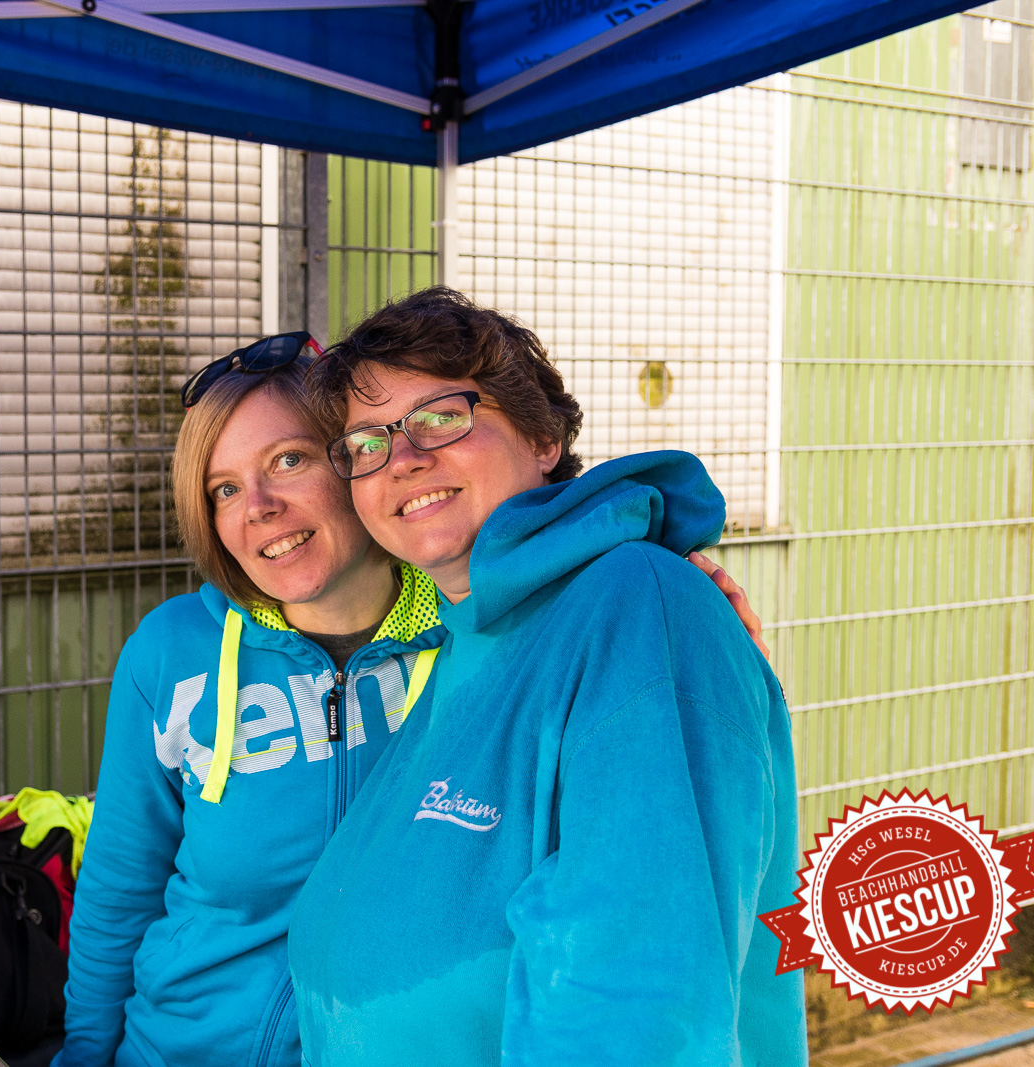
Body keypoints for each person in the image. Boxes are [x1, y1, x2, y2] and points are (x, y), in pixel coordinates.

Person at [58, 329, 771, 1067]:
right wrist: (84, 1051)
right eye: (225, 488)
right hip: (178, 1050)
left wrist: (677, 593)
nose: (259, 506)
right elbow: (122, 885)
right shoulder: (172, 651)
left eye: (290, 460)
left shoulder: (475, 625)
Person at [286, 288, 807, 1067]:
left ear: (541, 435)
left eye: (440, 416)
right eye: (368, 442)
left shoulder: (635, 607)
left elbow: (637, 1006)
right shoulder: (468, 637)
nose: (404, 457)